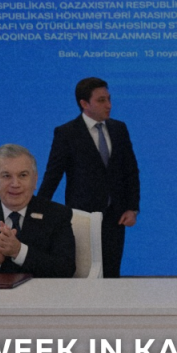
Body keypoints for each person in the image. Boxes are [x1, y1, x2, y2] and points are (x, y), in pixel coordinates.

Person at [38, 77, 140, 278]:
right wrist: (38, 210)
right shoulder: (66, 133)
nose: (109, 105)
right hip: (81, 218)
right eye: (101, 100)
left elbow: (131, 171)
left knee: (111, 274)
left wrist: (132, 208)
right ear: (84, 104)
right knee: (83, 274)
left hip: (115, 217)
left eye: (109, 99)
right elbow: (53, 175)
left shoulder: (119, 129)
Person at [0, 144, 75, 278]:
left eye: (23, 175)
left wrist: (19, 251)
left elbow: (66, 269)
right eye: (6, 176)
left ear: (35, 180)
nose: (15, 184)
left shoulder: (57, 215)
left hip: (41, 297)